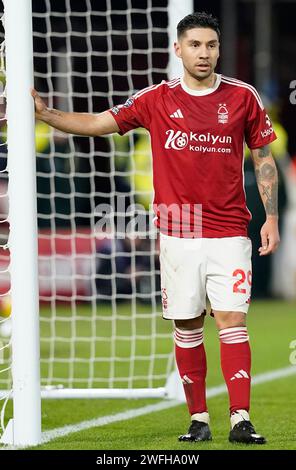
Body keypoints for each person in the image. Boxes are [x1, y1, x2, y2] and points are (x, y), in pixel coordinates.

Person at [32, 11, 280, 444]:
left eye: (211, 45)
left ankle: (241, 418)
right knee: (186, 326)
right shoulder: (155, 100)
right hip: (178, 234)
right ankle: (199, 419)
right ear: (178, 49)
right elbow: (97, 124)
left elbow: (262, 158)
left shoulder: (243, 97)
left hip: (228, 232)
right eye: (196, 45)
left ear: (218, 50)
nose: (204, 53)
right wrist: (46, 114)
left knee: (231, 320)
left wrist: (271, 217)